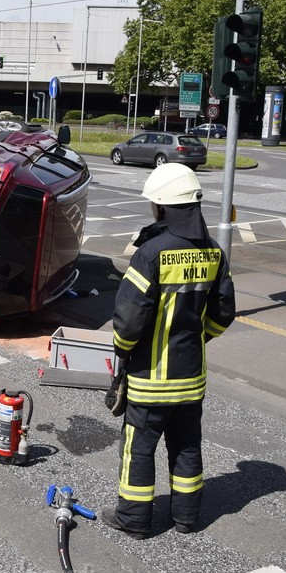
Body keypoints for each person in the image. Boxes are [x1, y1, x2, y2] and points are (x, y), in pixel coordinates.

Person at [102, 163, 235, 539]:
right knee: (187, 447)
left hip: (149, 380)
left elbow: (128, 322)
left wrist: (123, 353)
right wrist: (197, 338)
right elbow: (224, 313)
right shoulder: (213, 252)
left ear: (161, 206)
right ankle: (187, 519)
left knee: (138, 451)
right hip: (191, 380)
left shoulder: (151, 253)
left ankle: (134, 520)